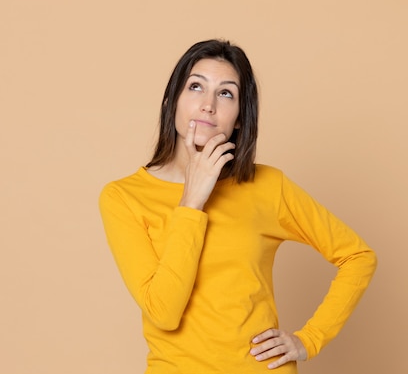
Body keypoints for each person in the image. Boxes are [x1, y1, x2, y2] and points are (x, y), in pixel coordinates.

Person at [99, 39, 377, 373]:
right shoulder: (124, 197)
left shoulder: (267, 186)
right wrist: (192, 202)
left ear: (240, 119)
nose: (208, 105)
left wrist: (309, 339)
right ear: (171, 101)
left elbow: (358, 257)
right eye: (196, 87)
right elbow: (164, 313)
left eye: (226, 93)